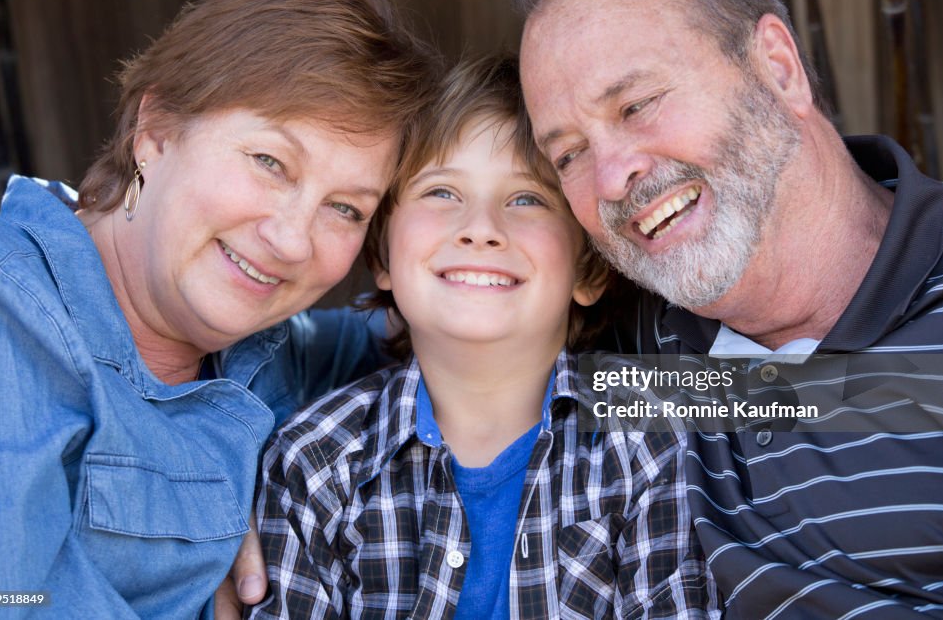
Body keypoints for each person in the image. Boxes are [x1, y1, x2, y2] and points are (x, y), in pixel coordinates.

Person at [515, 0, 943, 617]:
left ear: (778, 67)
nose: (612, 176)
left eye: (637, 104)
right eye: (568, 154)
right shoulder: (624, 347)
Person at [0, 0, 439, 618]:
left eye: (347, 209)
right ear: (155, 133)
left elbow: (509, 361)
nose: (292, 240)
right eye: (271, 163)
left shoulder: (276, 355)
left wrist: (631, 399)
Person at [246, 56, 718, 619]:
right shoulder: (313, 463)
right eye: (441, 192)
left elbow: (841, 392)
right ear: (383, 256)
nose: (480, 229)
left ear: (589, 271)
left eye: (526, 199)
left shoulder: (649, 439)